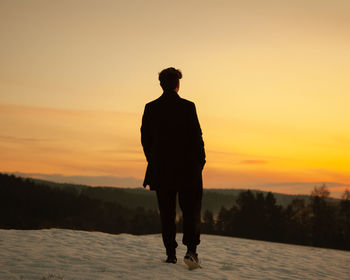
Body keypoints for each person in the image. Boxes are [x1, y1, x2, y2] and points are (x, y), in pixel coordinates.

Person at [141, 67, 206, 266]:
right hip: (188, 169)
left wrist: (153, 161)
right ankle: (191, 251)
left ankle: (171, 253)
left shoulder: (151, 108)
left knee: (167, 213)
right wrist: (200, 162)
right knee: (191, 211)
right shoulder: (188, 107)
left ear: (161, 84)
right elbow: (197, 137)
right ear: (178, 84)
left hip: (161, 170)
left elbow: (146, 140)